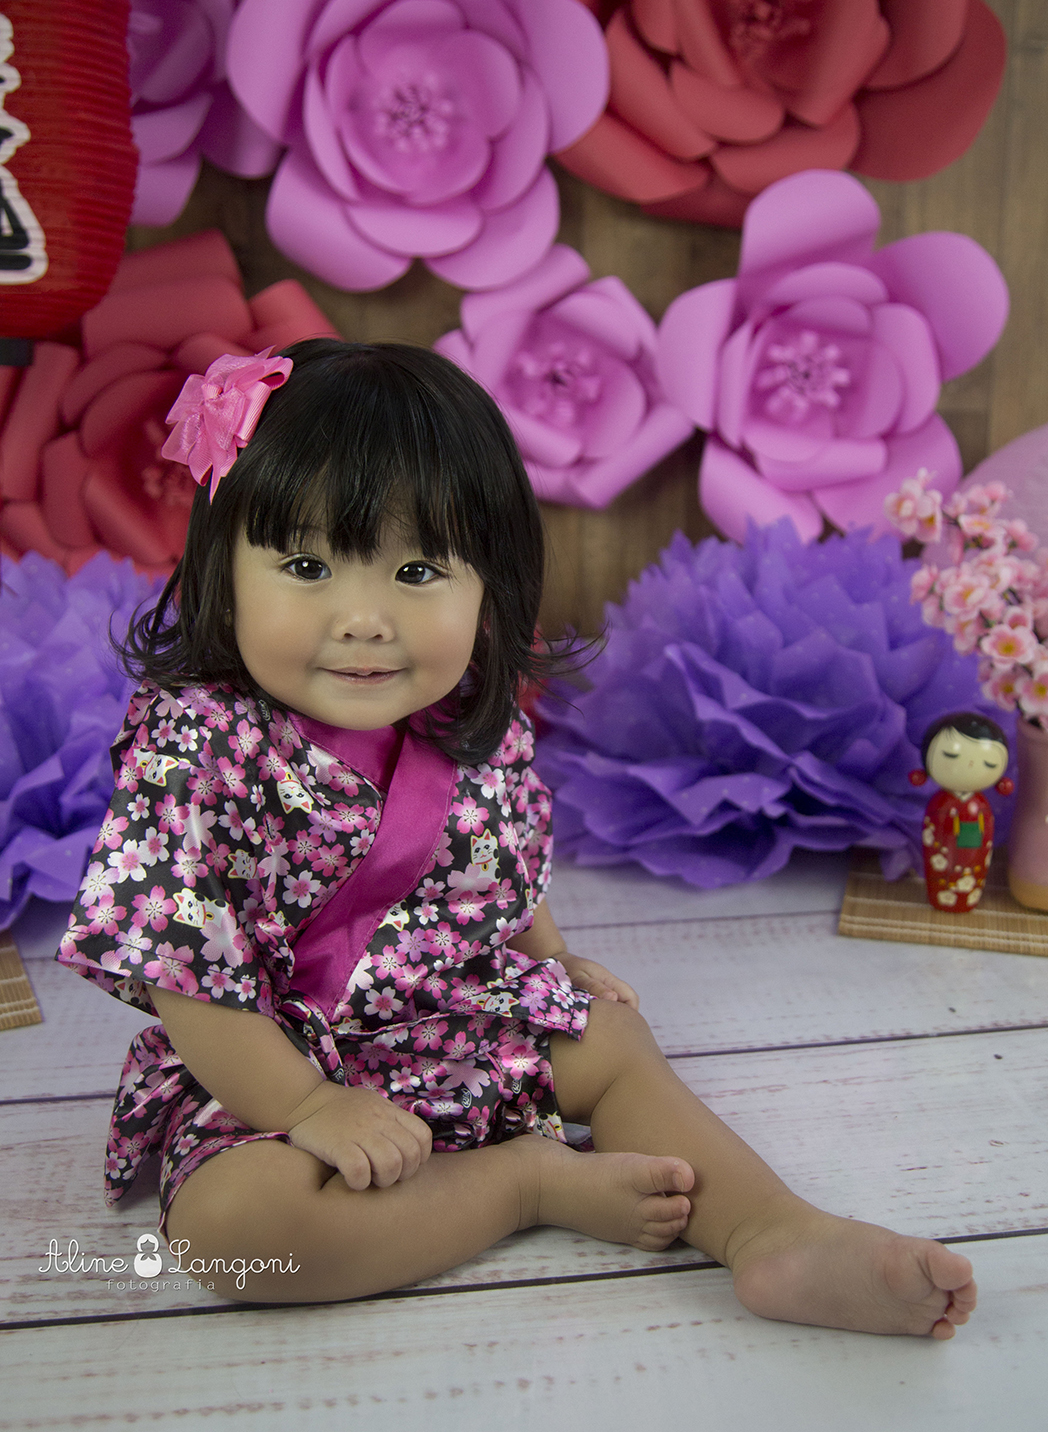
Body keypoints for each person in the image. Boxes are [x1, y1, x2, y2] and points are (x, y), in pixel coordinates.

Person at [57, 340, 976, 1332]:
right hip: (270, 1062)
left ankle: (774, 1234)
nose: (362, 618)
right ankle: (521, 1184)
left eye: (417, 570)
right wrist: (310, 1108)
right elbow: (188, 978)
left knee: (609, 1038)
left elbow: (496, 864)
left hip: (440, 1021)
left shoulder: (469, 723)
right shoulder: (194, 747)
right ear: (221, 571)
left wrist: (551, 957)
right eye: (307, 566)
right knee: (236, 1235)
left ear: (487, 587)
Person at [910, 712, 1012, 911]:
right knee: (940, 865)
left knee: (972, 865)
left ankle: (967, 898)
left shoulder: (979, 805)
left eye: (988, 764)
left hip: (973, 859)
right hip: (941, 856)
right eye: (951, 756)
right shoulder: (940, 803)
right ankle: (940, 896)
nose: (970, 765)